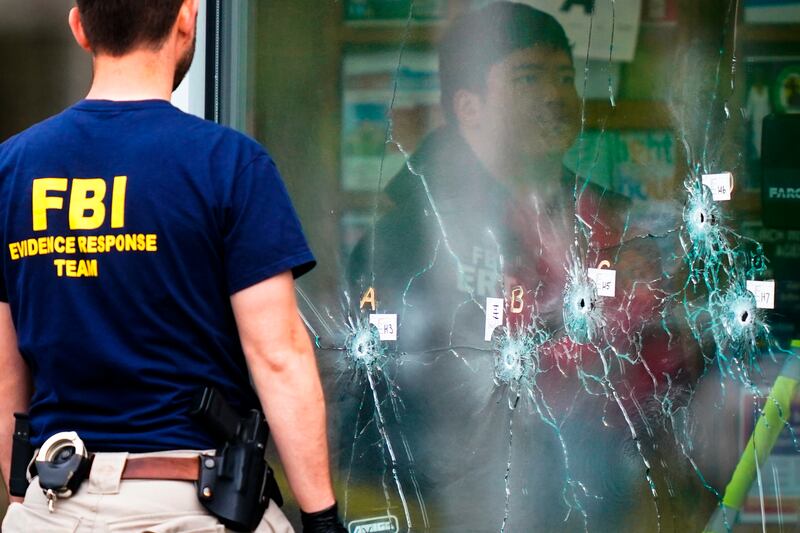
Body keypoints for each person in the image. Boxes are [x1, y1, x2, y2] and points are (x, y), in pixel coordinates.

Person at [345, 2, 704, 530]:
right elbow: (381, 406)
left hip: (595, 502)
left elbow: (654, 369)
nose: (557, 95)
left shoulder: (610, 228)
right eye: (529, 77)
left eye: (565, 77)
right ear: (470, 107)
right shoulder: (410, 239)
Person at [0, 1, 346, 531]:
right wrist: (321, 518)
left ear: (79, 28)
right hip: (191, 508)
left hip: (52, 506)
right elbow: (278, 357)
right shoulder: (228, 163)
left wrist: (25, 499)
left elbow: (5, 371)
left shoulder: (11, 169)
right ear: (187, 18)